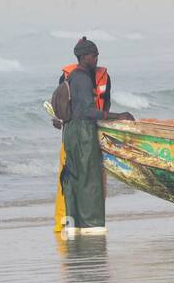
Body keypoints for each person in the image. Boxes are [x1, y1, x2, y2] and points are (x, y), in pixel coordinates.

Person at [57, 36, 134, 235]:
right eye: (94, 55)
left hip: (71, 131)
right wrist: (119, 116)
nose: (97, 58)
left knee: (72, 176)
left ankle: (72, 224)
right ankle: (92, 225)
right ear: (84, 57)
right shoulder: (82, 78)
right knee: (90, 177)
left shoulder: (73, 76)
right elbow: (88, 111)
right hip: (83, 130)